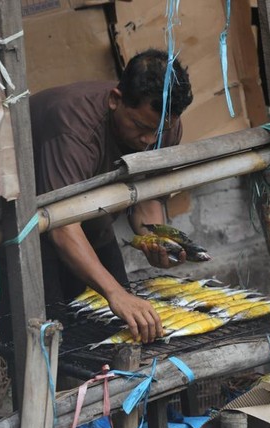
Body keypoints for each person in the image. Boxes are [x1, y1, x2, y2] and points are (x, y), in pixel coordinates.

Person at [29, 49, 194, 343]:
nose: (148, 140)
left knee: (119, 330)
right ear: (115, 100)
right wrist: (115, 293)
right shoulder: (73, 129)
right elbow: (61, 226)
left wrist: (155, 240)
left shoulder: (163, 125)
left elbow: (147, 194)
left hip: (92, 218)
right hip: (29, 229)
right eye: (141, 127)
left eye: (157, 132)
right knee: (46, 338)